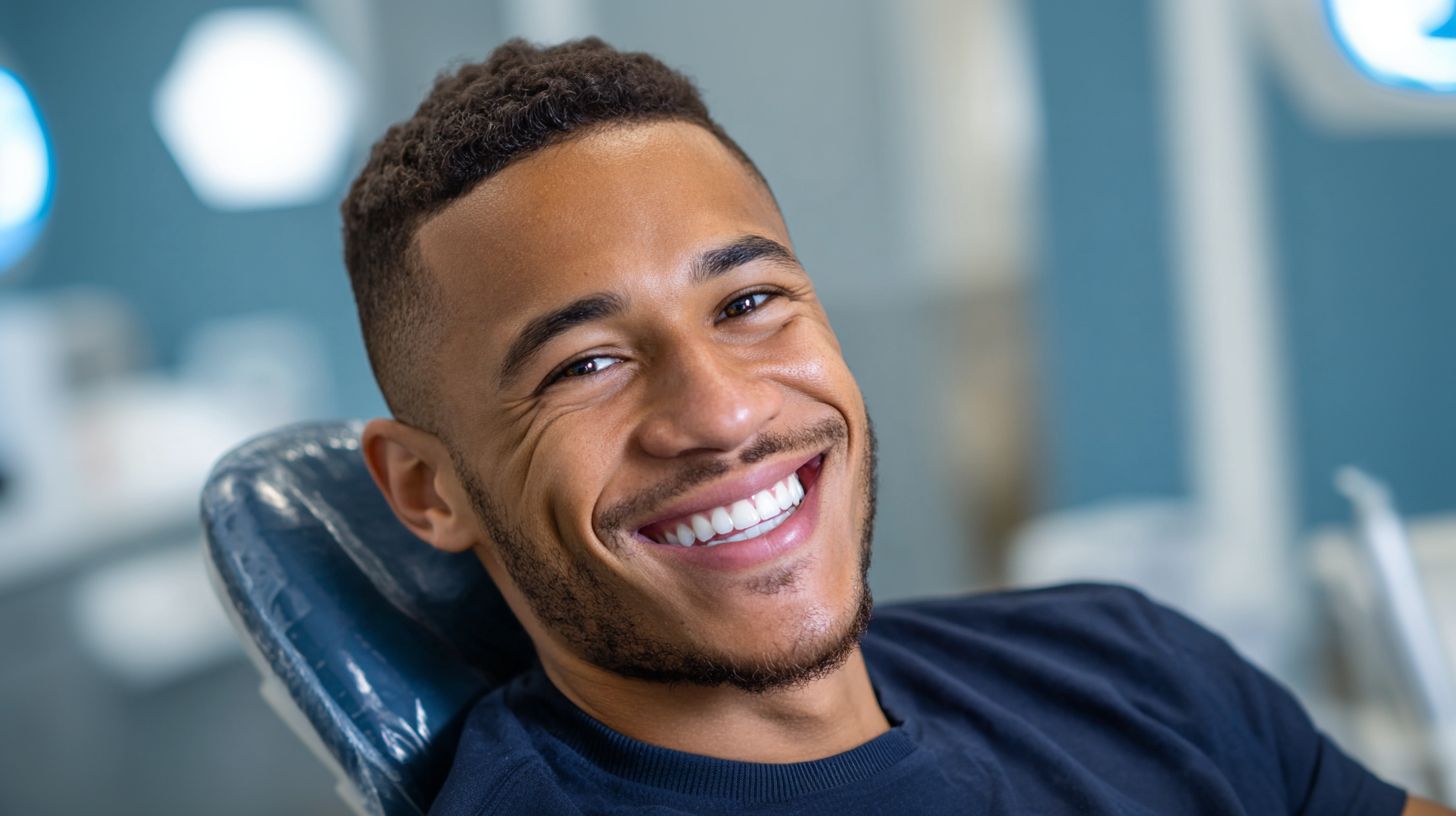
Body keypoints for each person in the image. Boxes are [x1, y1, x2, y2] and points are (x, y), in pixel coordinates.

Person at [343, 38, 1447, 815]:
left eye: (746, 304)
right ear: (425, 489)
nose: (722, 411)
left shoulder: (1127, 663)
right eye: (585, 364)